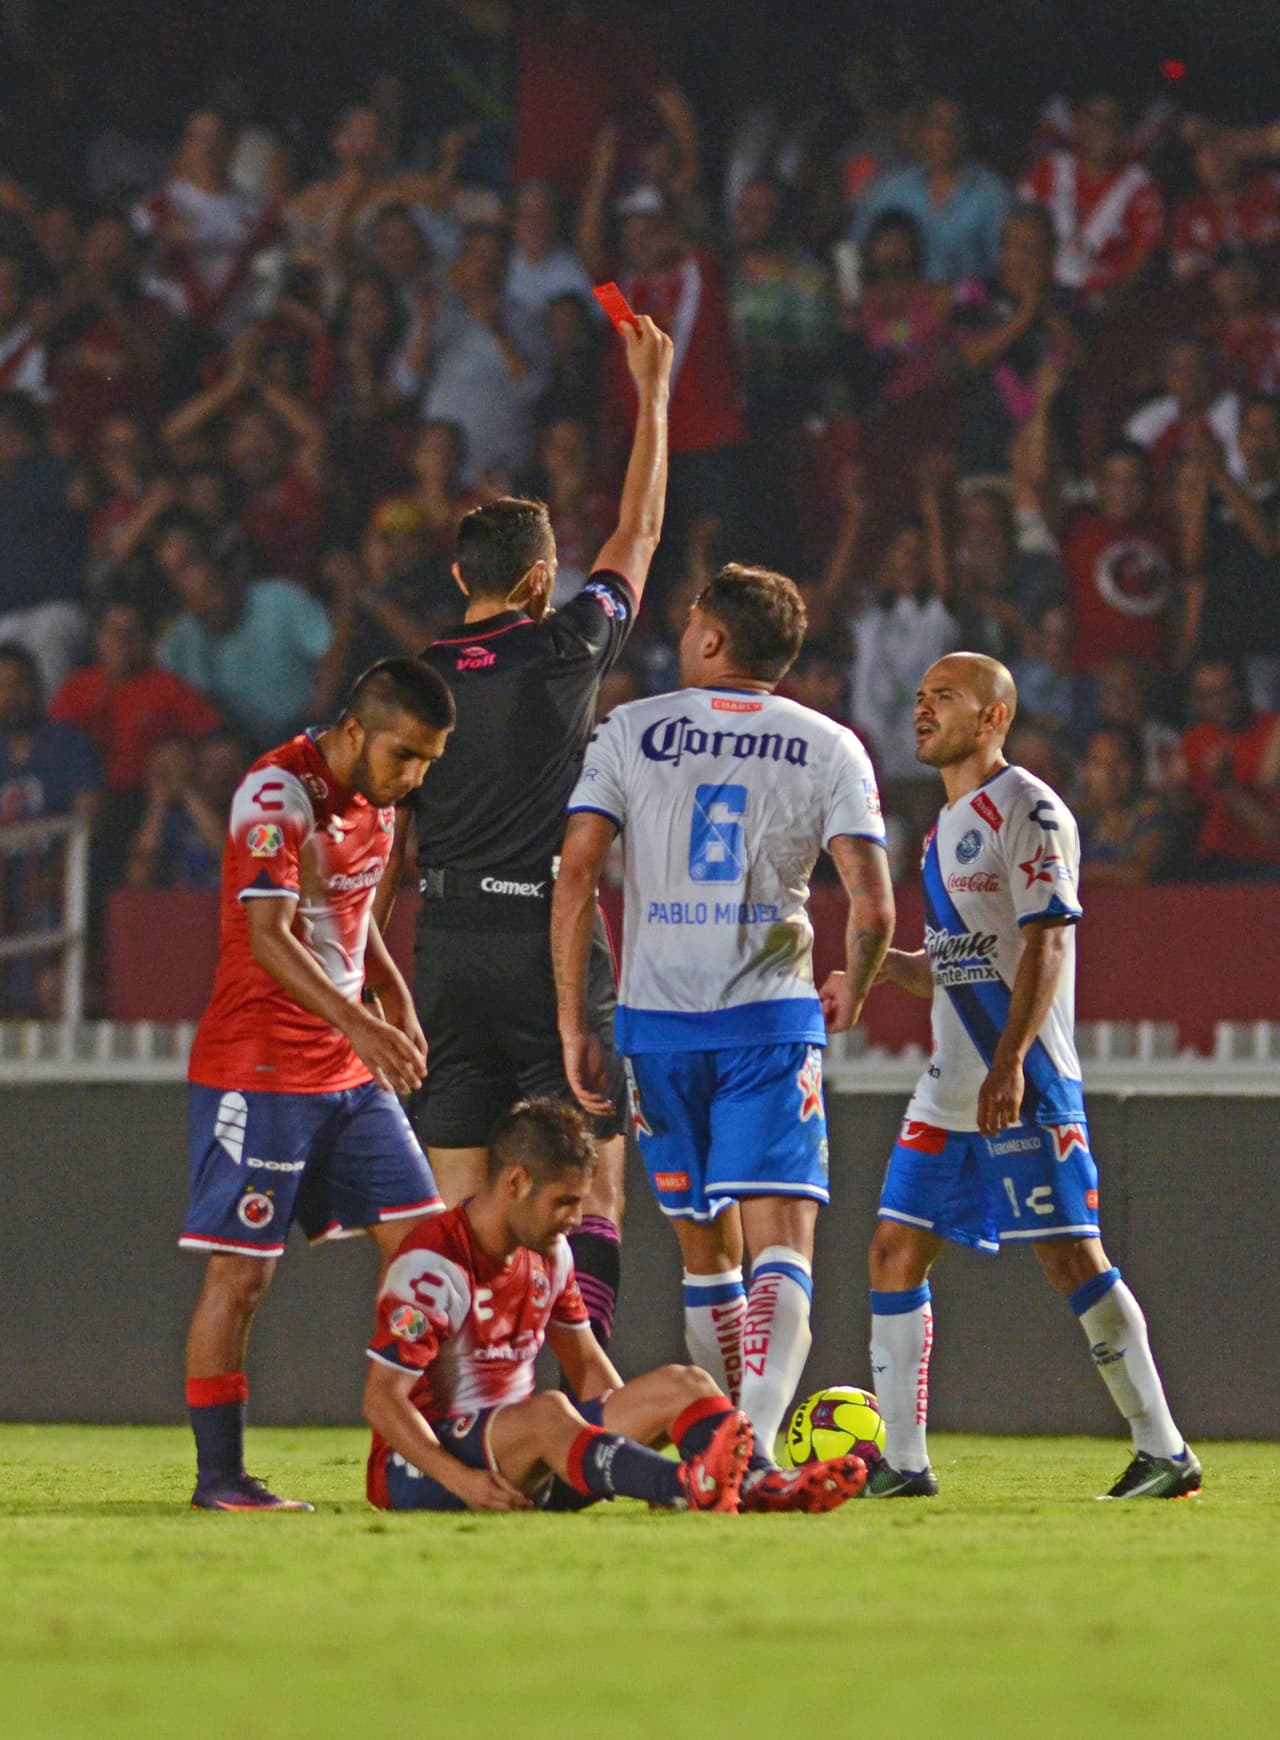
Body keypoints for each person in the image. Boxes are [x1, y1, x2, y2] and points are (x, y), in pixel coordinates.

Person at [373, 314, 673, 1355]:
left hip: (444, 952)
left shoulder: (408, 685)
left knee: (461, 1211)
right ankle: (587, 1391)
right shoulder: (562, 648)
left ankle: (454, 1405)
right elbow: (634, 538)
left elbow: (389, 846)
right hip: (544, 948)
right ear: (541, 581)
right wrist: (654, 394)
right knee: (588, 1186)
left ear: (462, 579)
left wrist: (381, 977)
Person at [551, 566, 895, 1457]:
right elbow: (872, 900)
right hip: (768, 1018)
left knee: (706, 1249)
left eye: (691, 621)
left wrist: (573, 1019)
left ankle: (726, 1449)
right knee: (786, 1241)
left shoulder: (629, 729)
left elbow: (578, 873)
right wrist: (855, 981)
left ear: (710, 640)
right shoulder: (831, 745)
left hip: (656, 1025)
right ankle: (759, 1442)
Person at [864, 651, 1200, 1498]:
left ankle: (1165, 1449)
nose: (923, 709)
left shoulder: (1032, 809)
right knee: (894, 1251)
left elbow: (1049, 942)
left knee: (1070, 1259)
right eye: (919, 697)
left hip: (1021, 1078)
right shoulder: (941, 830)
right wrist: (871, 970)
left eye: (945, 696)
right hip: (950, 1087)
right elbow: (954, 961)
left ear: (994, 718)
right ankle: (904, 1465)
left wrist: (1010, 1062)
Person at [179, 658, 456, 1511]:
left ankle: (429, 1454)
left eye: (427, 764)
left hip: (345, 1068)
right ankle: (221, 1479)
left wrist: (394, 998)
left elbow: (354, 914)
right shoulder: (275, 794)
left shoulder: (376, 802)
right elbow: (268, 935)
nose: (412, 778)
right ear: (353, 732)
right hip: (258, 1068)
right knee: (242, 1278)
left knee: (429, 1252)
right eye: (405, 755)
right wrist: (364, 1024)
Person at [365, 1098, 868, 1515]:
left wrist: (634, 1441)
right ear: (515, 1183)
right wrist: (462, 1482)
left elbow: (586, 1365)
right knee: (549, 1413)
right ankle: (685, 1486)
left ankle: (762, 1484)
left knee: (683, 1384)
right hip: (424, 1470)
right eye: (564, 1202)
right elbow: (383, 1400)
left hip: (534, 1453)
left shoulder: (550, 1254)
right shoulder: (432, 1265)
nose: (576, 1219)